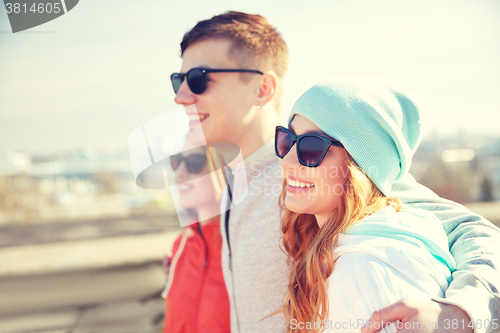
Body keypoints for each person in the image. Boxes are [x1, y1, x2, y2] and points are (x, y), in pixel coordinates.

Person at [171, 11, 500, 332]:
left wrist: (464, 312)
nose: (181, 97)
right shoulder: (238, 178)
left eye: (199, 79)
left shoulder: (328, 167)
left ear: (263, 88)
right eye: (179, 80)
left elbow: (473, 231)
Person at [274, 77, 457, 332]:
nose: (288, 160)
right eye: (288, 139)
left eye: (312, 146)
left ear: (359, 167)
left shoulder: (367, 270)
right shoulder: (347, 247)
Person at [161, 144, 230, 333]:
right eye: (176, 162)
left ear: (222, 167)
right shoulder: (181, 245)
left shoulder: (241, 245)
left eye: (194, 163)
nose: (179, 174)